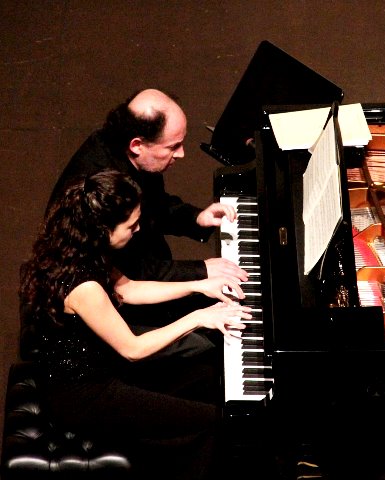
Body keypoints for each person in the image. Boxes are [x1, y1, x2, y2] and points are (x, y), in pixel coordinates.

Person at [20, 170, 252, 479]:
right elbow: (133, 349)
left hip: (102, 364)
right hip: (84, 394)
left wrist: (198, 285)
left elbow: (128, 289)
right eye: (131, 225)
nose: (138, 229)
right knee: (211, 422)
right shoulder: (82, 286)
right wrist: (198, 317)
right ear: (103, 229)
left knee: (208, 375)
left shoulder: (82, 247)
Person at [46, 88, 248, 353]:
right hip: (105, 332)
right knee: (204, 346)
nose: (182, 154)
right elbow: (133, 339)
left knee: (211, 320)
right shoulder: (99, 197)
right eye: (173, 146)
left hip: (127, 283)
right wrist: (200, 282)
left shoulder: (137, 158)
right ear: (137, 145)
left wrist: (195, 220)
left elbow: (128, 285)